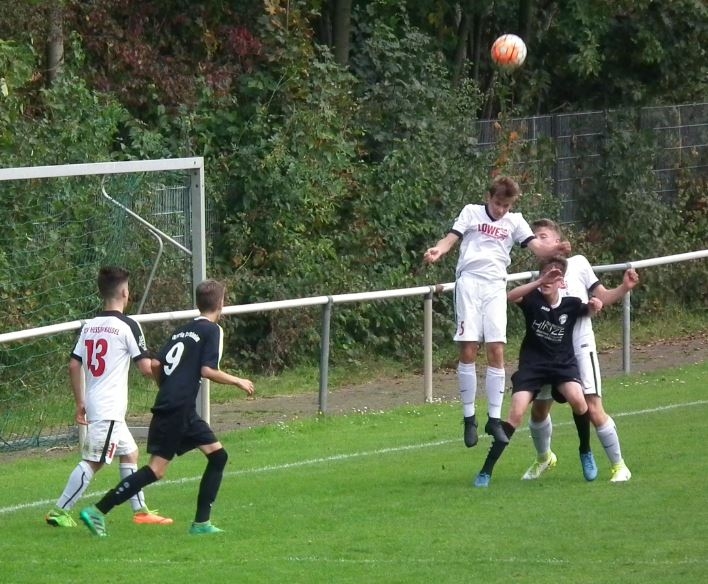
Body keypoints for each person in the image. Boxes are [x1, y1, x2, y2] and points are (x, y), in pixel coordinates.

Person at [79, 279, 255, 537]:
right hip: (178, 408)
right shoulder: (212, 331)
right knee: (156, 470)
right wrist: (238, 380)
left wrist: (168, 387)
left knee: (218, 456)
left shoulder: (182, 330)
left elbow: (155, 365)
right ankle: (98, 510)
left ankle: (201, 524)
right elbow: (207, 370)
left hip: (177, 406)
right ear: (221, 303)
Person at [423, 176, 569, 448]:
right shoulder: (471, 212)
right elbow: (450, 239)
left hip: (495, 286)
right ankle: (469, 418)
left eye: (506, 205)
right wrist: (438, 251)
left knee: (497, 350)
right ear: (489, 197)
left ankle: (493, 418)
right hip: (470, 282)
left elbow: (538, 248)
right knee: (469, 347)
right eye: (498, 203)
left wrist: (555, 248)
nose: (501, 210)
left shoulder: (515, 221)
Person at [45, 266, 173, 528]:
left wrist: (80, 402)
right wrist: (168, 373)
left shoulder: (90, 326)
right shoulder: (128, 325)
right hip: (109, 407)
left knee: (130, 453)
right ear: (125, 292)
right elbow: (145, 368)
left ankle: (140, 511)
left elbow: (74, 364)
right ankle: (59, 510)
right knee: (94, 461)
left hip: (98, 403)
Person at [520, 219, 638, 483]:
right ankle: (544, 458)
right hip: (549, 353)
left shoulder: (579, 264)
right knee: (539, 411)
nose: (538, 240)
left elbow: (602, 297)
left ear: (558, 240)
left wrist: (624, 288)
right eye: (535, 237)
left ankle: (619, 466)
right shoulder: (540, 277)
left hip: (580, 347)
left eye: (543, 236)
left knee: (593, 407)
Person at [474, 256, 602, 487]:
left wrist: (596, 306)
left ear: (562, 282)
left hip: (562, 365)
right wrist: (539, 281)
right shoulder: (532, 299)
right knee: (516, 414)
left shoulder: (572, 304)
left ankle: (585, 451)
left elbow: (590, 309)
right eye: (545, 274)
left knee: (578, 399)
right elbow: (510, 296)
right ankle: (486, 470)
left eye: (554, 276)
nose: (549, 279)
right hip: (533, 366)